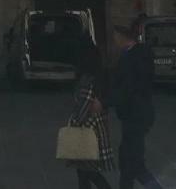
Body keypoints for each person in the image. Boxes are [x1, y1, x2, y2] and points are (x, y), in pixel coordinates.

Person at [109, 24, 163, 189]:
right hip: (134, 114)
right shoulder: (133, 54)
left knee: (134, 164)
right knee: (128, 163)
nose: (114, 41)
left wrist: (105, 102)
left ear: (122, 37)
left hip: (136, 115)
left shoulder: (133, 57)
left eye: (115, 37)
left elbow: (127, 88)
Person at [66, 43, 116, 188]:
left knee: (88, 172)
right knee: (84, 172)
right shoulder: (100, 76)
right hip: (96, 127)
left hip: (87, 131)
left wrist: (73, 122)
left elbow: (83, 108)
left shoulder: (87, 80)